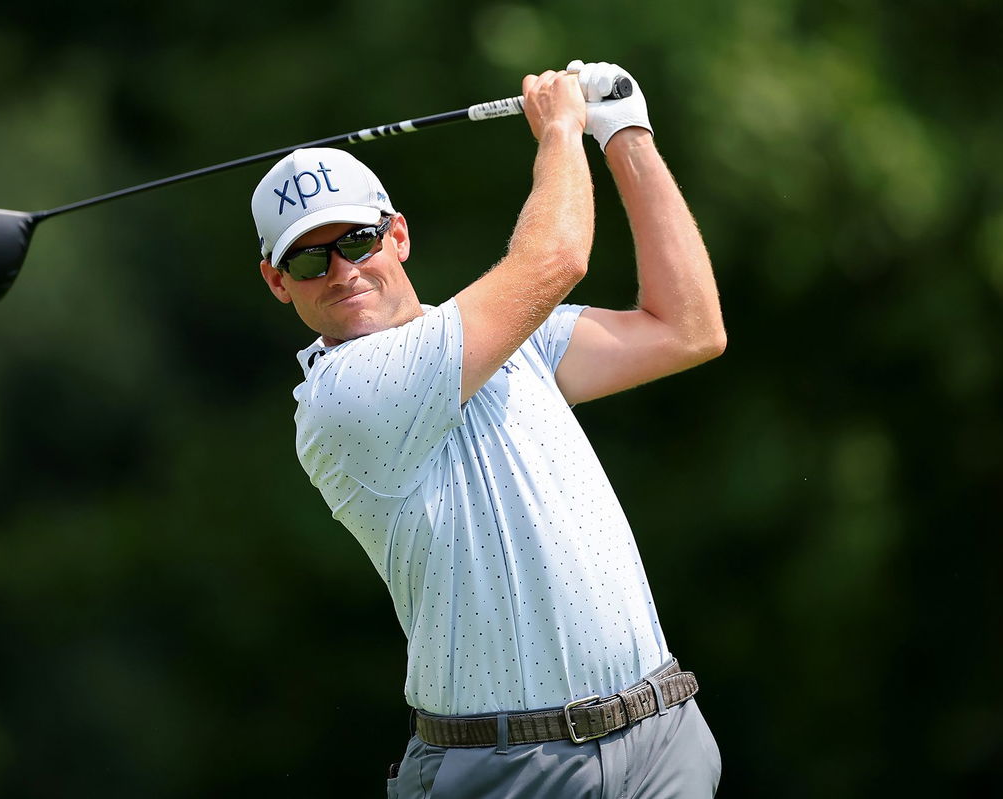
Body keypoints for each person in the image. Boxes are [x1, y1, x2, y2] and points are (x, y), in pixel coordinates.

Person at [251, 60, 726, 798]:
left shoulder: (514, 342)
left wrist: (626, 131)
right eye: (309, 258)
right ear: (277, 281)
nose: (342, 271)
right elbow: (557, 258)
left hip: (661, 735)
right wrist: (563, 130)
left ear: (397, 236)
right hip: (509, 770)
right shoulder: (341, 398)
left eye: (357, 241)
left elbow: (688, 328)